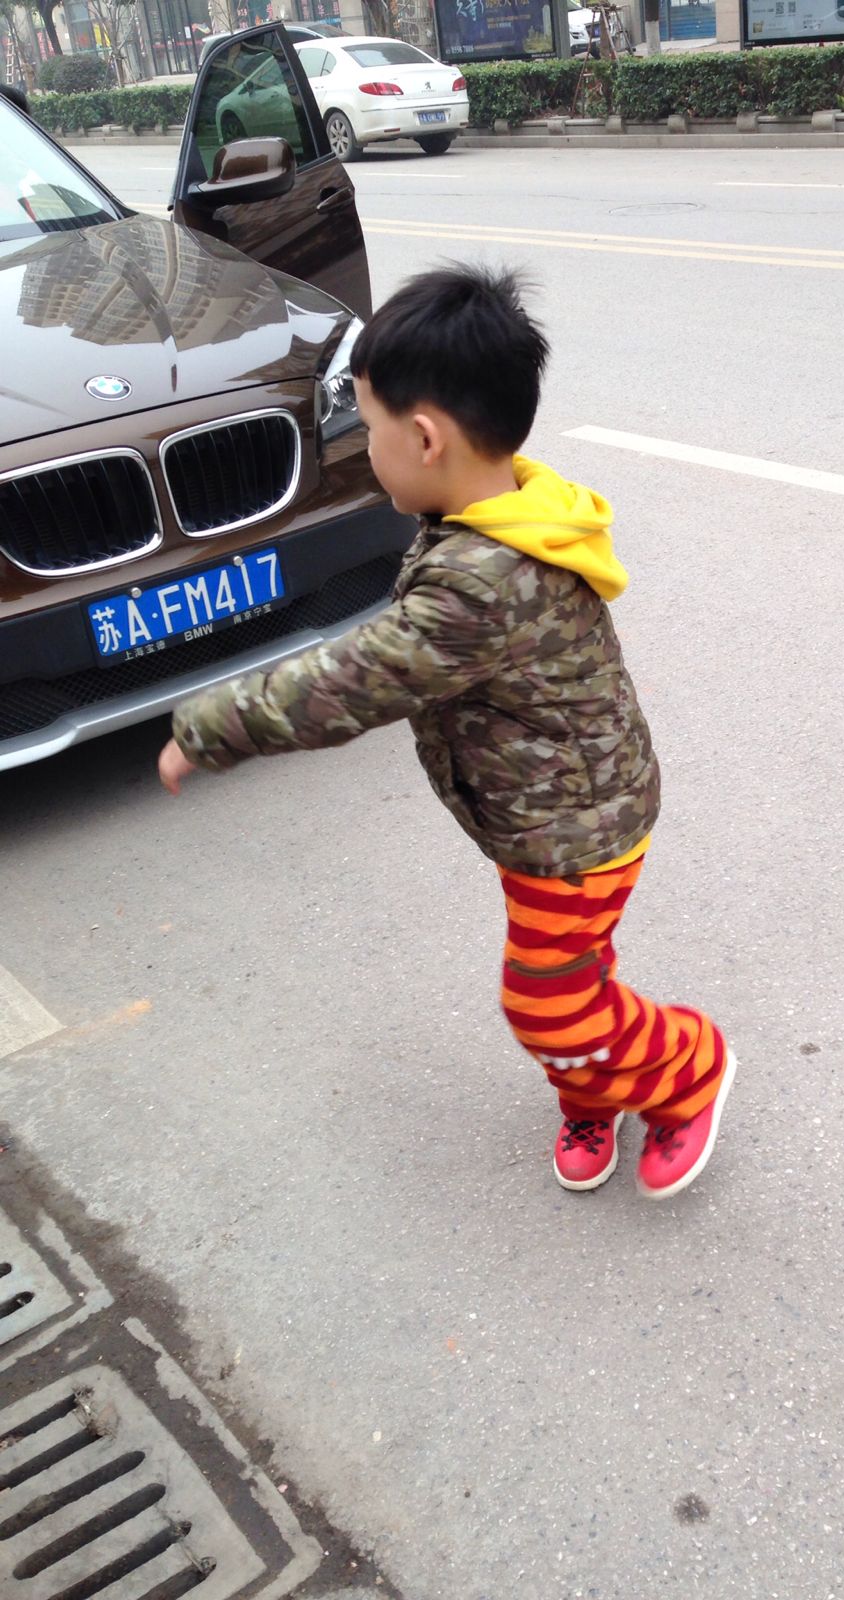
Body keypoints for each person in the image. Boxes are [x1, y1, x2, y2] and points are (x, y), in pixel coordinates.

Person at [159, 264, 735, 1200]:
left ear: (425, 439)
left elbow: (351, 681)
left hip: (576, 833)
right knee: (575, 974)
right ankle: (594, 1085)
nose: (363, 448)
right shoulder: (503, 505)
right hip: (548, 808)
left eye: (367, 429)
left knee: (546, 1003)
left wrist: (209, 728)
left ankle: (687, 1068)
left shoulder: (479, 581)